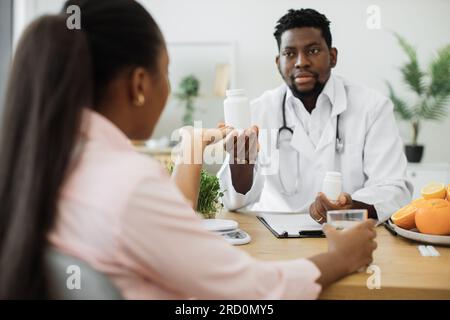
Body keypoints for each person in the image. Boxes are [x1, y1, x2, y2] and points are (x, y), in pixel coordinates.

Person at [0, 0, 376, 299]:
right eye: (166, 70)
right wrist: (340, 258)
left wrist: (193, 148)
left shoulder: (55, 160)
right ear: (140, 84)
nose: (301, 62)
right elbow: (252, 290)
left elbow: (156, 230)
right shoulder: (127, 182)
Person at [218, 8, 412, 224]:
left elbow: (395, 188)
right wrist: (241, 159)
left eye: (312, 51)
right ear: (278, 63)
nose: (301, 62)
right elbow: (233, 200)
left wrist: (350, 206)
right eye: (289, 53)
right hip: (274, 235)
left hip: (347, 230)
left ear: (333, 56)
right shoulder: (258, 112)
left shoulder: (372, 107)